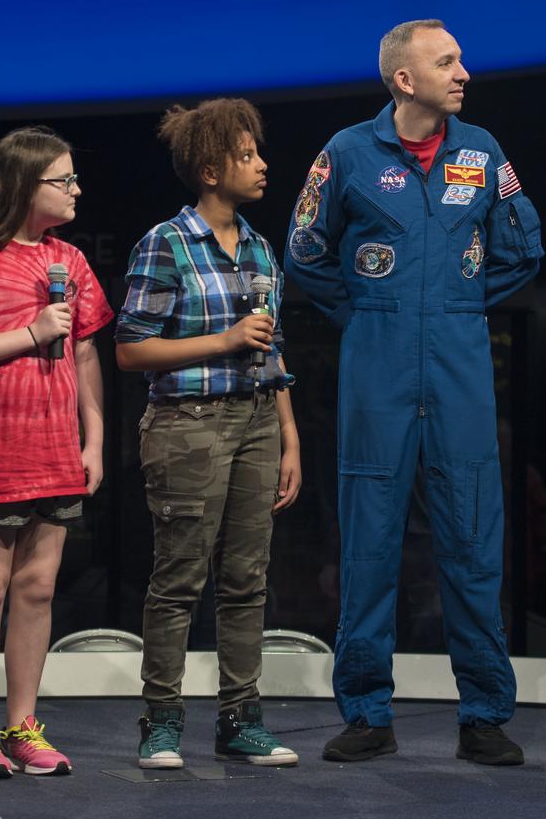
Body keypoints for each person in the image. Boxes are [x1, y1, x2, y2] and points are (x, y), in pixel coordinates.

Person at [284, 20, 544, 765]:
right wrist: (365, 310)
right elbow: (305, 250)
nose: (464, 72)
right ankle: (367, 712)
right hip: (376, 371)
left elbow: (525, 246)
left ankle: (485, 714)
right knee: (368, 542)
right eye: (447, 61)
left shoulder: (482, 151)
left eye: (459, 58)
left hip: (459, 368)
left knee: (472, 539)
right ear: (405, 79)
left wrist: (457, 304)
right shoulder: (347, 154)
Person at [116, 98, 302, 770]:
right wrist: (219, 340)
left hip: (256, 421)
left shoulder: (257, 247)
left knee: (247, 579)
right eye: (247, 155)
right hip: (186, 426)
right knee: (179, 579)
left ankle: (239, 719)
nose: (262, 165)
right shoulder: (166, 244)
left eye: (258, 152)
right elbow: (131, 350)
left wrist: (288, 436)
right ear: (209, 169)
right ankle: (162, 721)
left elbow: (270, 349)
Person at [0, 126, 112, 778]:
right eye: (63, 179)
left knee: (37, 589)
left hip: (55, 448)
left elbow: (86, 352)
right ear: (22, 183)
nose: (75, 190)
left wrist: (93, 437)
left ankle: (23, 725)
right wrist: (29, 331)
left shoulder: (73, 263)